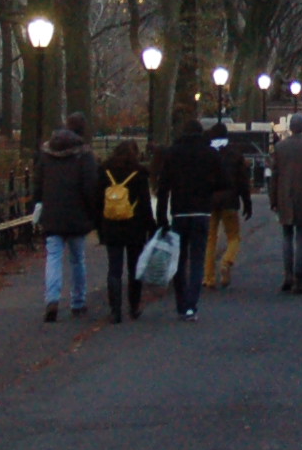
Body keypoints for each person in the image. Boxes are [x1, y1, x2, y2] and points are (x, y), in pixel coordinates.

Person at [34, 123, 102, 322]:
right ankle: (78, 301)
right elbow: (90, 187)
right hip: (77, 215)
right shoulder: (84, 156)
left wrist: (38, 205)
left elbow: (38, 184)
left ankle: (52, 298)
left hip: (52, 213)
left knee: (53, 257)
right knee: (77, 259)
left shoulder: (46, 155)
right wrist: (93, 214)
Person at [158, 119, 222, 319]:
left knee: (179, 259)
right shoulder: (209, 153)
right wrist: (208, 189)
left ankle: (181, 302)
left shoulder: (173, 153)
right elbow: (224, 181)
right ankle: (191, 305)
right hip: (201, 211)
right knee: (197, 260)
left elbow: (163, 187)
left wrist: (161, 216)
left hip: (179, 211)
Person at [96, 141, 153, 321]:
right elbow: (145, 204)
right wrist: (151, 227)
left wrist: (99, 227)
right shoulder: (139, 174)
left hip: (111, 225)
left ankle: (115, 310)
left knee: (114, 269)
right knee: (134, 267)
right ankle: (134, 306)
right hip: (135, 226)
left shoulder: (105, 172)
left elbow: (97, 201)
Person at [267, 115, 302, 293]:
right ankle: (299, 278)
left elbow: (275, 176)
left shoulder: (280, 147)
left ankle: (288, 275)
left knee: (287, 236)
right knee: (301, 238)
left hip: (285, 196)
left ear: (290, 128)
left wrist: (273, 199)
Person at [206, 124, 253, 290]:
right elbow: (243, 181)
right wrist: (247, 202)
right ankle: (227, 261)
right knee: (233, 237)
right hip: (230, 200)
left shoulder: (207, 153)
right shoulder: (235, 154)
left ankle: (208, 277)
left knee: (210, 239)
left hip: (210, 201)